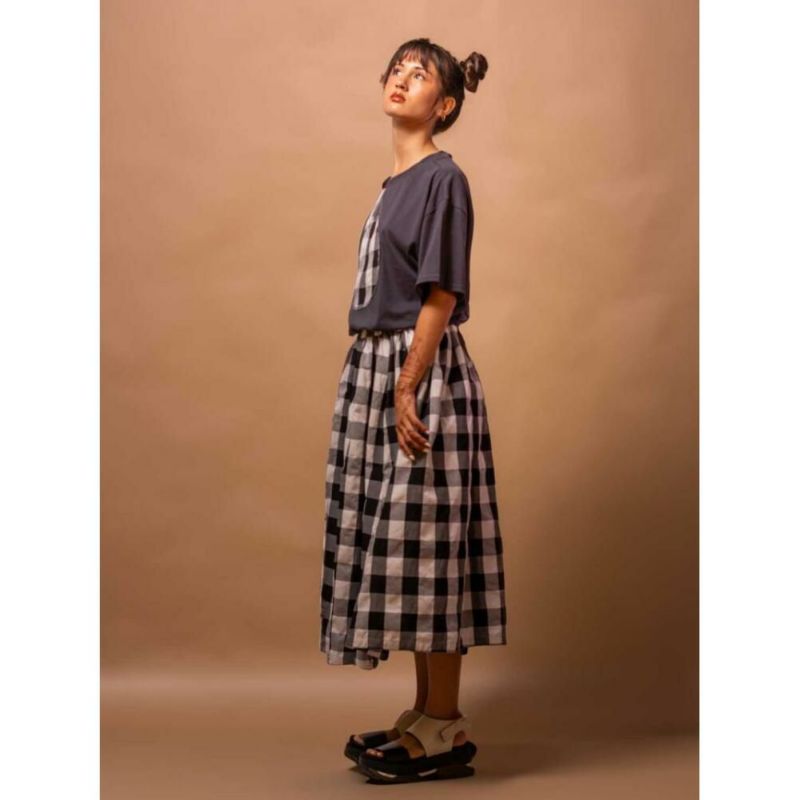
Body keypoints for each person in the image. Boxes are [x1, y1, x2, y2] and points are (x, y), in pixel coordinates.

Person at [319, 37, 508, 783]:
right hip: (380, 365)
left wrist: (406, 385)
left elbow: (442, 293)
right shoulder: (393, 182)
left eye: (420, 73)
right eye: (397, 67)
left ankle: (446, 727)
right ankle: (429, 713)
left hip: (418, 371)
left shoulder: (442, 178)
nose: (402, 77)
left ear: (446, 104)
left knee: (430, 548)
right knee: (405, 545)